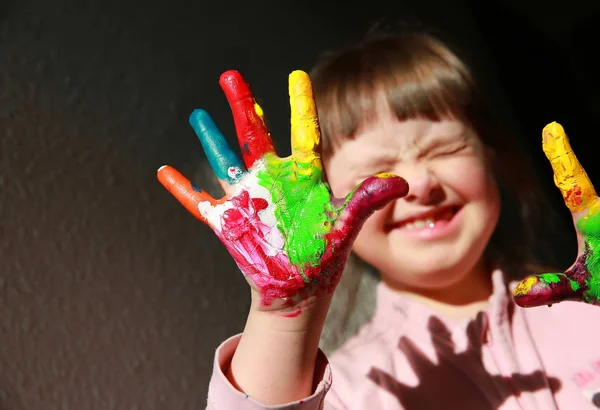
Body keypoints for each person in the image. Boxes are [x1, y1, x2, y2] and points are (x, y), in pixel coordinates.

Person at [157, 27, 600, 409]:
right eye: (376, 171)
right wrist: (284, 311)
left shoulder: (587, 313)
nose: (421, 183)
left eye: (443, 149)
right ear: (326, 203)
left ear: (491, 155)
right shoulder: (349, 390)